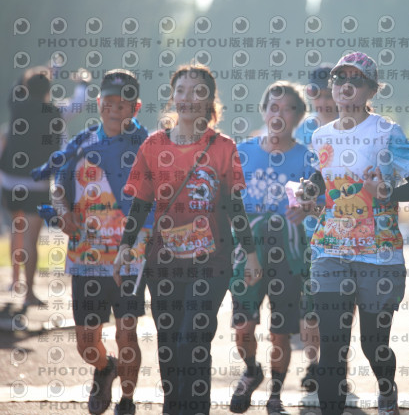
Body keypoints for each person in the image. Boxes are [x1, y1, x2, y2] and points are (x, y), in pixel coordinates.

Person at [112, 64, 260, 415]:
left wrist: (251, 253)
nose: (188, 98)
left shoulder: (222, 147)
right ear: (172, 96)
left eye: (198, 91)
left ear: (210, 101)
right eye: (181, 90)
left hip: (212, 261)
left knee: (192, 339)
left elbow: (234, 205)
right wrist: (124, 247)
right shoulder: (153, 145)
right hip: (163, 262)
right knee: (168, 345)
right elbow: (141, 203)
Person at [298, 52, 409, 415]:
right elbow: (323, 177)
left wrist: (385, 191)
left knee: (375, 346)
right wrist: (309, 191)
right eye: (339, 78)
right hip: (330, 251)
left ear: (371, 89)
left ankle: (387, 389)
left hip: (379, 255)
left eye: (355, 80)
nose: (345, 86)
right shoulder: (321, 136)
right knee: (332, 348)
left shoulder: (387, 133)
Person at [34, 69, 151, 415]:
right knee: (87, 343)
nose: (114, 109)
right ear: (99, 102)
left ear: (136, 107)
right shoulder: (81, 144)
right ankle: (104, 367)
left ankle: (127, 400)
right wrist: (63, 213)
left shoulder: (147, 146)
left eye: (123, 103)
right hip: (86, 257)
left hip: (130, 257)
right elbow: (59, 189)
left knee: (127, 332)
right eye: (108, 102)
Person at [228, 81, 318, 414]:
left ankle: (276, 394)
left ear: (299, 116)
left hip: (289, 253)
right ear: (264, 111)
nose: (279, 115)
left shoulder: (308, 158)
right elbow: (228, 201)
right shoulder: (242, 152)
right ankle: (252, 370)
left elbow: (320, 203)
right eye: (273, 107)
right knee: (243, 327)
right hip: (247, 250)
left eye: (289, 109)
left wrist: (308, 207)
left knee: (280, 332)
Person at [0, 67, 61, 307]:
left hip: (10, 180)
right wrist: (83, 83)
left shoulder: (17, 106)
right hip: (38, 182)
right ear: (47, 90)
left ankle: (15, 281)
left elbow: (16, 88)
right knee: (31, 238)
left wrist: (43, 72)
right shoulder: (54, 112)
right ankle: (29, 294)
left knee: (16, 230)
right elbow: (79, 100)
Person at [296, 65, 338, 393]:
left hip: (346, 232)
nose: (322, 101)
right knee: (309, 308)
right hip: (307, 233)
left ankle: (335, 366)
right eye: (316, 94)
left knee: (338, 307)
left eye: (328, 94)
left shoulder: (355, 128)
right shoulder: (304, 130)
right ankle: (314, 363)